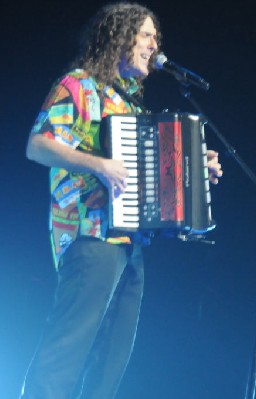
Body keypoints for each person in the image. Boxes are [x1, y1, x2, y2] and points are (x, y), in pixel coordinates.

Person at [20, 3, 223, 398]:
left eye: (154, 37)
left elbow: (151, 179)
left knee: (109, 366)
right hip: (89, 235)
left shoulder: (130, 105)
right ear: (121, 36)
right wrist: (99, 164)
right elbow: (37, 145)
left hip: (130, 244)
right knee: (64, 355)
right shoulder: (78, 85)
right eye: (147, 35)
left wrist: (196, 168)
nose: (154, 44)